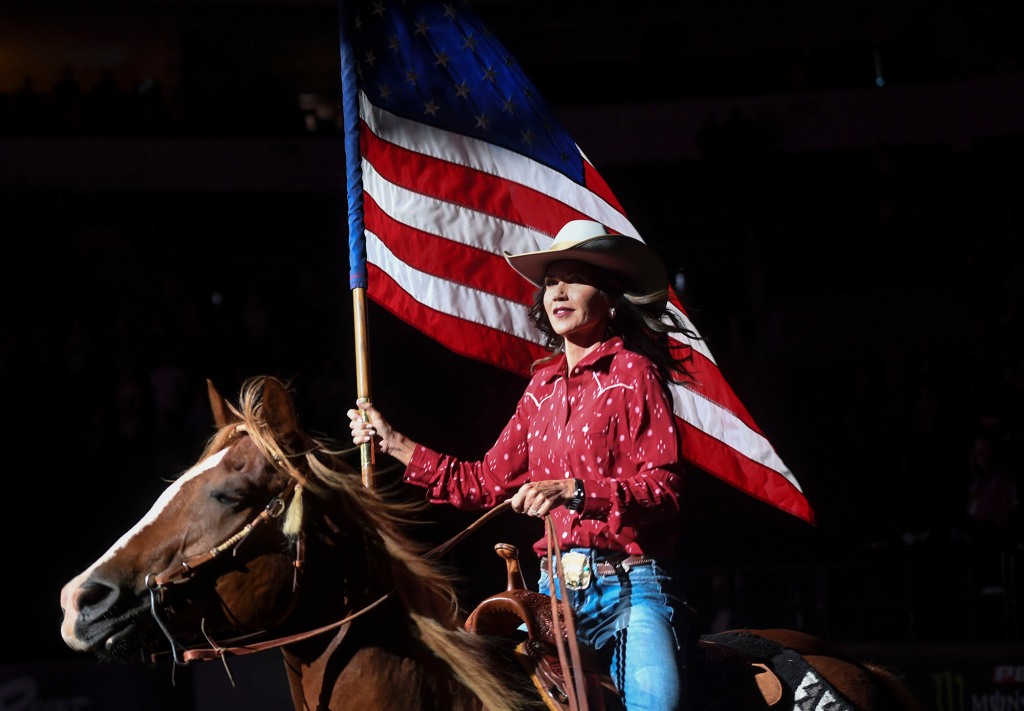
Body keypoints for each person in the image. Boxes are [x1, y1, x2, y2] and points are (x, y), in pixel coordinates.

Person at [348, 219, 700, 711]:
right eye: (551, 281)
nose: (557, 291)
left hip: (628, 590)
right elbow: (484, 482)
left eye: (574, 278)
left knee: (656, 705)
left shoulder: (635, 376)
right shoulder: (541, 389)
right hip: (550, 598)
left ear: (609, 296)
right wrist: (394, 443)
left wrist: (573, 490)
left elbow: (666, 490)